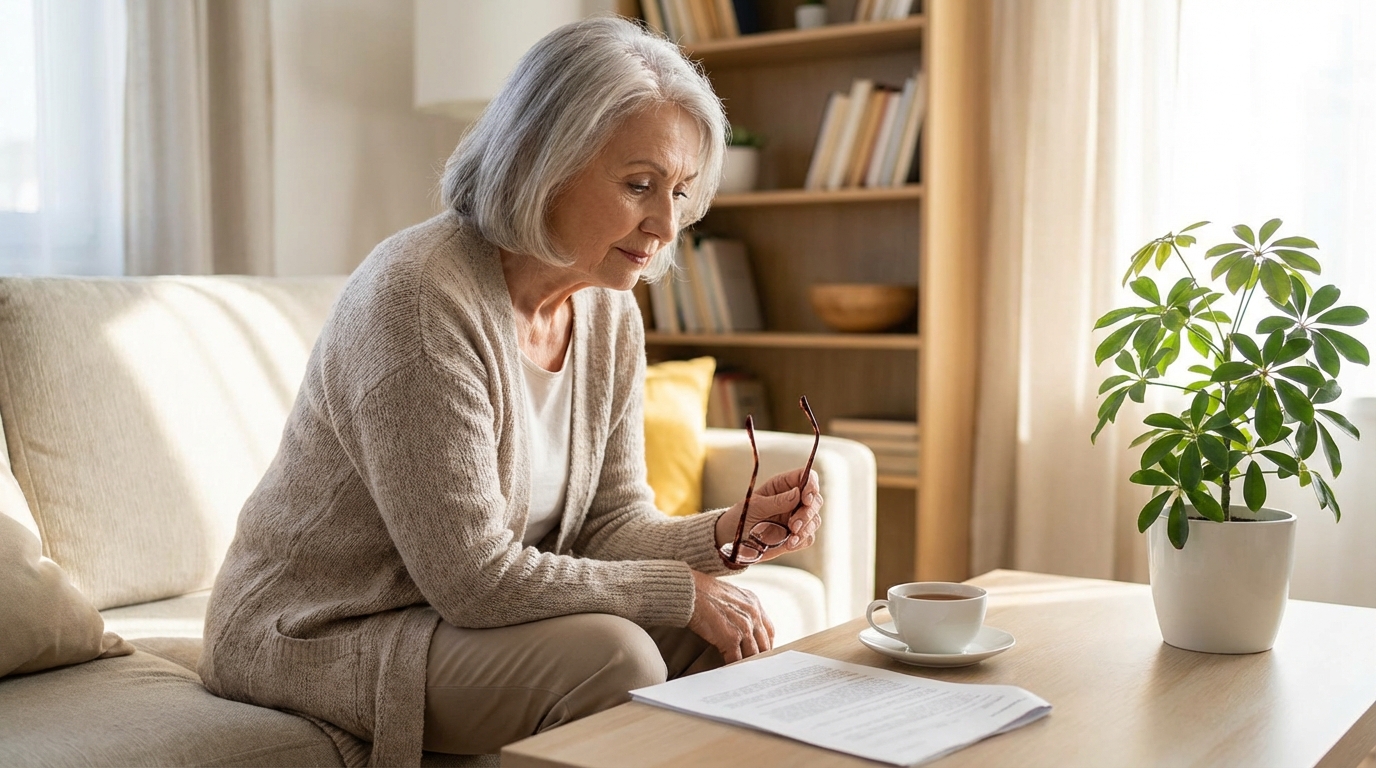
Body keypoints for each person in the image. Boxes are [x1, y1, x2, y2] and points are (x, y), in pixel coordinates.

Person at [199, 15, 823, 767]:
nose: (665, 223)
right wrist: (682, 592)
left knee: (712, 634)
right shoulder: (419, 300)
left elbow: (609, 524)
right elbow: (474, 581)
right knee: (615, 656)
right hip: (319, 626)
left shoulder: (607, 306)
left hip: (453, 616)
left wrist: (729, 533)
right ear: (541, 159)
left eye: (681, 191)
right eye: (639, 185)